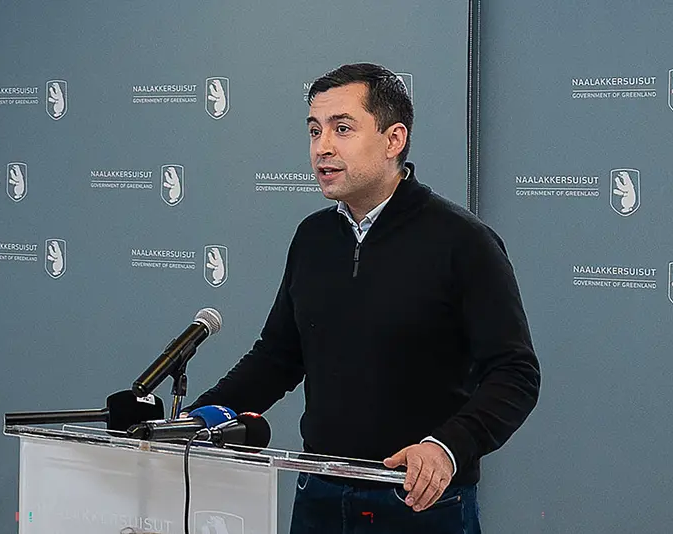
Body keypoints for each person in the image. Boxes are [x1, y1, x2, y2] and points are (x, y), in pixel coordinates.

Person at [184, 63, 540, 534]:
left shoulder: (463, 241)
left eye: (342, 129)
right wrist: (196, 420)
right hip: (319, 493)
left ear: (394, 139)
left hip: (418, 502)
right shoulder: (312, 238)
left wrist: (447, 447)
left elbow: (515, 373)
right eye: (315, 131)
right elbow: (278, 358)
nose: (322, 147)